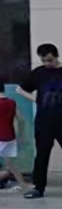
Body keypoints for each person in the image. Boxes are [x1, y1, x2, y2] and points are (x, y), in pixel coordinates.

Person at [21, 42, 62, 200]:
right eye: (44, 60)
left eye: (50, 60)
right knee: (42, 155)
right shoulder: (39, 73)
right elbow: (22, 88)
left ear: (56, 56)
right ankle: (38, 187)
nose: (47, 64)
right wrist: (34, 99)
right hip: (44, 121)